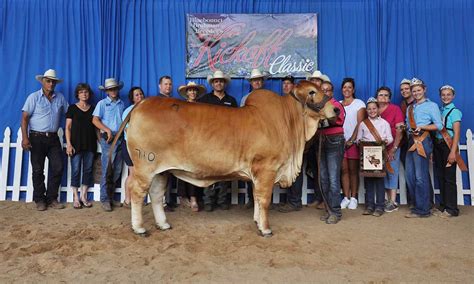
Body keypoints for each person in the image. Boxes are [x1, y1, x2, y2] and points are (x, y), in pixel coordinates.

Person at [21, 69, 69, 211]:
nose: (51, 83)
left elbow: (70, 113)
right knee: (37, 169)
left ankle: (52, 198)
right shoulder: (33, 97)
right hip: (36, 138)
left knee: (58, 166)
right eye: (48, 81)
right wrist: (25, 137)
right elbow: (24, 118)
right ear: (42, 82)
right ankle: (40, 200)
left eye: (53, 81)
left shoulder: (60, 97)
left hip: (53, 138)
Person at [198, 70, 237, 211]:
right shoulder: (205, 99)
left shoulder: (231, 100)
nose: (218, 83)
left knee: (224, 171)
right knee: (208, 170)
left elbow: (236, 122)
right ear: (212, 84)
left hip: (226, 141)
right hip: (209, 140)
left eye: (221, 81)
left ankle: (222, 200)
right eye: (216, 81)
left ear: (224, 83)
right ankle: (208, 201)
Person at [404, 78, 443, 218]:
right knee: (410, 175)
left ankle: (423, 209)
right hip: (411, 140)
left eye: (419, 90)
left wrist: (422, 127)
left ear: (424, 90)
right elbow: (409, 125)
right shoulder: (410, 108)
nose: (416, 93)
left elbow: (439, 126)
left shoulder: (431, 105)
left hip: (422, 139)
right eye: (414, 91)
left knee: (420, 176)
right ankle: (418, 204)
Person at [356, 97, 393, 217]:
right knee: (369, 181)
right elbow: (358, 139)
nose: (372, 111)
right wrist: (361, 141)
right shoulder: (363, 124)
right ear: (366, 110)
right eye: (369, 109)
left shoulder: (384, 123)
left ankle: (380, 206)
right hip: (367, 155)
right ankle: (369, 206)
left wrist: (385, 141)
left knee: (379, 181)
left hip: (379, 154)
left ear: (378, 109)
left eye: (374, 108)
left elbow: (390, 137)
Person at [92, 78, 125, 212]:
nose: (113, 91)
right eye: (111, 89)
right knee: (107, 169)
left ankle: (110, 198)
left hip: (119, 137)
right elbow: (94, 120)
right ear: (106, 91)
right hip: (109, 139)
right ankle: (105, 199)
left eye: (115, 88)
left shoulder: (122, 104)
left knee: (117, 169)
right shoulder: (102, 104)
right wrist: (106, 130)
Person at [65, 83, 97, 209]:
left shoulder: (93, 109)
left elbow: (96, 128)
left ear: (89, 94)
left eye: (86, 92)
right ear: (77, 94)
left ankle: (83, 196)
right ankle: (76, 197)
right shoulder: (72, 108)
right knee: (76, 170)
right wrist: (68, 144)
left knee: (88, 170)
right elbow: (67, 128)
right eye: (81, 92)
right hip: (76, 145)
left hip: (90, 144)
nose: (84, 94)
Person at [318, 80, 346, 224]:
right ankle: (329, 210)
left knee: (333, 178)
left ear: (332, 92)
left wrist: (320, 118)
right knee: (323, 178)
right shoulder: (318, 106)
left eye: (327, 90)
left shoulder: (336, 104)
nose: (325, 92)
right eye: (322, 90)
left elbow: (334, 120)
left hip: (335, 140)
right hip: (322, 141)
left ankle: (336, 212)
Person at [176, 81, 207, 212]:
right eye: (190, 90)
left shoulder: (202, 107)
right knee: (182, 169)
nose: (192, 92)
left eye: (194, 90)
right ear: (186, 93)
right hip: (183, 141)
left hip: (198, 141)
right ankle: (184, 197)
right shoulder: (181, 107)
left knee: (195, 170)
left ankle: (194, 198)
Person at [432, 85, 462, 218]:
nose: (445, 97)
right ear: (440, 96)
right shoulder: (440, 110)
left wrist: (453, 152)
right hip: (438, 145)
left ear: (453, 96)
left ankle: (452, 209)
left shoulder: (455, 111)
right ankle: (443, 205)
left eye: (448, 94)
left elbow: (456, 134)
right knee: (441, 176)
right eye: (443, 95)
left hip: (449, 146)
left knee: (449, 178)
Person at [241, 69, 269, 209]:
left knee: (264, 170)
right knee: (249, 169)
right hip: (249, 138)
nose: (257, 82)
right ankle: (251, 200)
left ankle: (262, 201)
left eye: (259, 79)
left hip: (265, 139)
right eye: (254, 80)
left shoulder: (270, 98)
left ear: (262, 82)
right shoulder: (245, 98)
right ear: (251, 83)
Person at [278, 75, 304, 213]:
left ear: (294, 86)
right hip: (283, 143)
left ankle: (295, 201)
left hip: (296, 142)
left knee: (296, 170)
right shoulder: (280, 101)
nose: (286, 86)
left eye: (288, 84)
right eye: (284, 84)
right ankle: (290, 200)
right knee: (286, 170)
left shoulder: (298, 102)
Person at [376, 87, 404, 212]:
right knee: (383, 173)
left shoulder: (395, 109)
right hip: (377, 148)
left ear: (390, 98)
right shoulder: (373, 110)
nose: (383, 97)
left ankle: (392, 201)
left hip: (392, 146)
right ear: (377, 97)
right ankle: (387, 199)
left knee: (392, 171)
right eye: (380, 95)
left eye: (386, 95)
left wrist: (394, 148)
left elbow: (400, 129)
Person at [340, 78, 366, 210]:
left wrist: (351, 140)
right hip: (340, 142)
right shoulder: (338, 104)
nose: (347, 89)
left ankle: (354, 197)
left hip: (354, 143)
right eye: (344, 87)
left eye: (349, 87)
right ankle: (346, 197)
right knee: (343, 171)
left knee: (353, 171)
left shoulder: (358, 103)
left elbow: (360, 123)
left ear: (353, 90)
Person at [121, 86, 145, 208]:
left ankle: (136, 199)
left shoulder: (146, 110)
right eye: (137, 95)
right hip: (130, 145)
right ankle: (127, 200)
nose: (140, 96)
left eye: (141, 94)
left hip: (142, 147)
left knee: (139, 173)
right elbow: (127, 129)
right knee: (133, 172)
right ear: (132, 98)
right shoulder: (128, 111)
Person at [157, 75, 176, 211]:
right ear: (160, 86)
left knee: (169, 172)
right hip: (160, 141)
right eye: (165, 84)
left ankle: (167, 200)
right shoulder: (156, 102)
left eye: (169, 84)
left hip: (172, 141)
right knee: (160, 172)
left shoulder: (175, 102)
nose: (168, 86)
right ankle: (161, 202)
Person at [398, 78, 415, 207]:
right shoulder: (403, 105)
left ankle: (427, 202)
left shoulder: (419, 103)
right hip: (406, 141)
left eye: (406, 89)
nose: (404, 91)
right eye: (402, 89)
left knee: (420, 173)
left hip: (417, 140)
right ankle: (413, 201)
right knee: (409, 173)